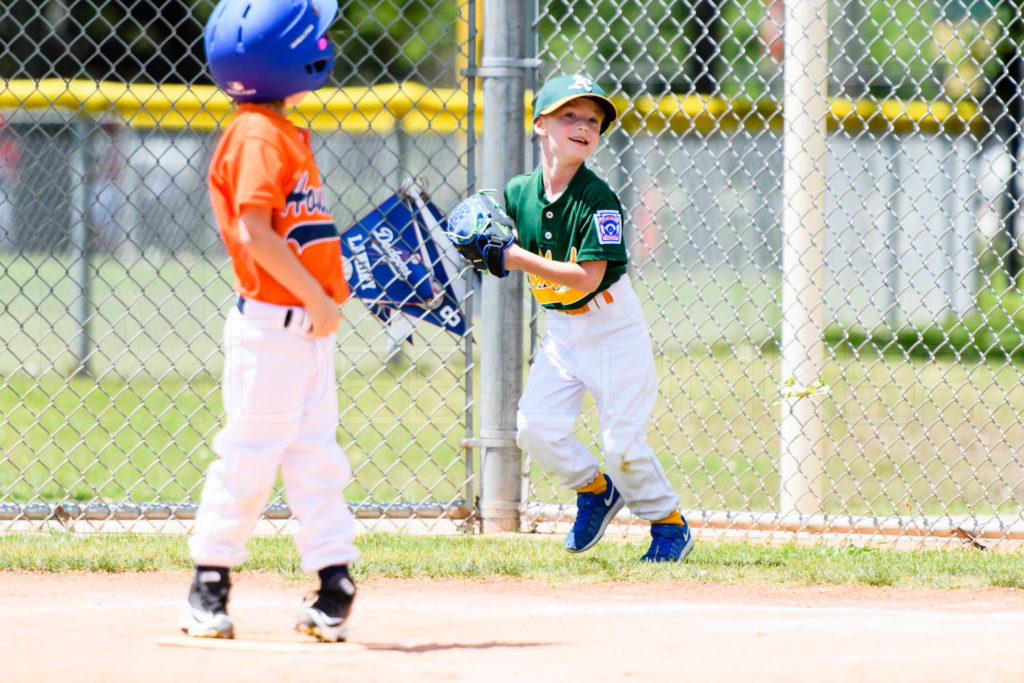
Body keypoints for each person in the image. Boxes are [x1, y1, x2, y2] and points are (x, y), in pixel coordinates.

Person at [180, 0, 358, 642]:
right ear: (285, 55)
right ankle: (209, 583)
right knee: (249, 458)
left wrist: (322, 296)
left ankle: (334, 581)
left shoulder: (279, 131)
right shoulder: (256, 133)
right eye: (315, 32)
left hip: (305, 334)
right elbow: (255, 232)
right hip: (272, 331)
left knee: (317, 459)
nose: (326, 38)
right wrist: (315, 297)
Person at [502, 74, 695, 562]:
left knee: (621, 445)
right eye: (570, 115)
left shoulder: (598, 199)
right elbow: (495, 245)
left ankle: (668, 524)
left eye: (593, 120)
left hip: (612, 328)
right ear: (540, 123)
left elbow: (587, 278)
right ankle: (595, 491)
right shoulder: (518, 192)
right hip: (562, 331)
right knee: (535, 427)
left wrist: (513, 257)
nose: (584, 125)